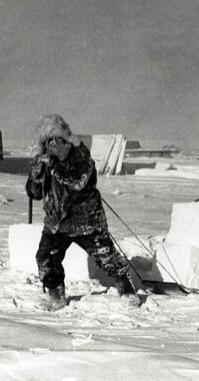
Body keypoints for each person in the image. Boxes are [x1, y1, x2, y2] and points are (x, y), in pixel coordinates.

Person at [25, 114, 139, 310]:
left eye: (54, 140)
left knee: (107, 257)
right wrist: (36, 178)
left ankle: (128, 291)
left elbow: (77, 182)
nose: (51, 145)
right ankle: (56, 296)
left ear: (64, 139)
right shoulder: (44, 160)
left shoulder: (81, 157)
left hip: (85, 220)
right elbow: (34, 193)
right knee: (45, 258)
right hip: (56, 223)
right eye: (46, 141)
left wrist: (53, 167)